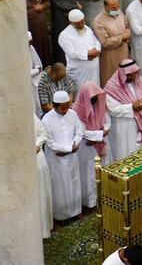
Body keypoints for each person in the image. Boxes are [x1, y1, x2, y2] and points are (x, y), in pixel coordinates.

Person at [41, 90, 83, 221]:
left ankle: (75, 212)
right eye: (62, 108)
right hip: (56, 159)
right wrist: (68, 148)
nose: (65, 111)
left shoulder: (73, 114)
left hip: (72, 156)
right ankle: (61, 216)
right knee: (60, 187)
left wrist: (73, 145)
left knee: (74, 182)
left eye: (67, 107)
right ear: (54, 106)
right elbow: (51, 143)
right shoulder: (47, 119)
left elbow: (79, 131)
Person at [103, 59, 142, 161]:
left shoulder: (138, 79)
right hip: (125, 126)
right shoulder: (112, 87)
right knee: (126, 154)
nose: (133, 77)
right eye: (130, 75)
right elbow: (113, 109)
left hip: (141, 121)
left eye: (135, 74)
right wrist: (131, 107)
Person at [73, 81, 110, 209]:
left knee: (103, 170)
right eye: (92, 97)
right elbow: (83, 132)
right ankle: (91, 203)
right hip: (87, 148)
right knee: (89, 175)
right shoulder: (77, 111)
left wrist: (103, 131)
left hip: (101, 144)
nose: (94, 99)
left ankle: (104, 197)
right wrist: (100, 134)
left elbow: (107, 120)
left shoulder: (99, 104)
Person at [92, 0, 131, 85]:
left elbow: (126, 26)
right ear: (106, 7)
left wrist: (127, 33)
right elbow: (105, 42)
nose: (117, 9)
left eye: (118, 6)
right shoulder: (98, 21)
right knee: (112, 81)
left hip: (124, 53)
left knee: (125, 79)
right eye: (113, 7)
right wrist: (122, 38)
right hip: (110, 56)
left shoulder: (119, 13)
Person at [59, 8, 101, 87]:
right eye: (78, 23)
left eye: (82, 21)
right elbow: (72, 53)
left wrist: (97, 50)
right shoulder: (64, 35)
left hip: (94, 70)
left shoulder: (87, 29)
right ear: (70, 22)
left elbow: (96, 42)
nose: (81, 25)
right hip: (79, 72)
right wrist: (88, 54)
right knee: (81, 93)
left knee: (94, 91)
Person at [33, 114, 53, 238]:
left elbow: (42, 134)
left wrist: (37, 145)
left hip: (37, 159)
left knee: (40, 195)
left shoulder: (30, 115)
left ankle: (42, 231)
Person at [26, 0, 52, 65]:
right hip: (31, 28)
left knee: (44, 47)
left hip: (42, 27)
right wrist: (34, 10)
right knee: (35, 48)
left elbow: (48, 2)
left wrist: (42, 7)